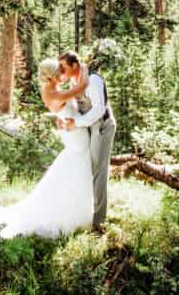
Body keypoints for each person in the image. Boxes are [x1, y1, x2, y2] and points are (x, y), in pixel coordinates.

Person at [0, 58, 94, 240]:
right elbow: (81, 87)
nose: (63, 74)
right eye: (60, 72)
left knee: (74, 170)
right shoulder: (52, 93)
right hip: (76, 136)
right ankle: (75, 215)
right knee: (79, 168)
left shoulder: (51, 89)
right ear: (52, 76)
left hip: (73, 133)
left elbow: (63, 108)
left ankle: (78, 210)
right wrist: (84, 67)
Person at [57, 49, 116, 233]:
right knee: (87, 168)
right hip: (89, 127)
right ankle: (85, 213)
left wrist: (76, 123)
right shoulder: (74, 82)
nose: (61, 71)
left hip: (102, 126)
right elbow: (77, 108)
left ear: (75, 65)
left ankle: (99, 222)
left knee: (99, 171)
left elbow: (98, 110)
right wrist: (64, 118)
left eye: (63, 67)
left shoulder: (93, 80)